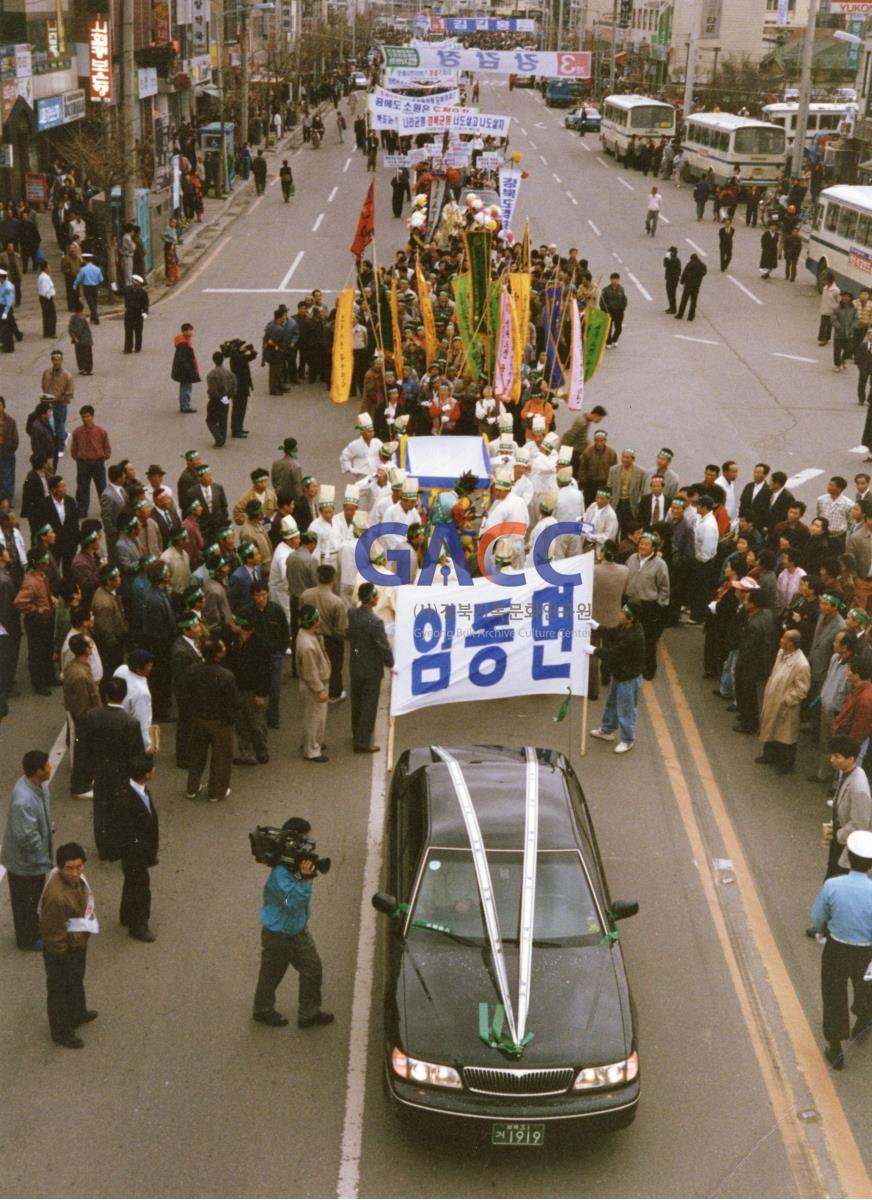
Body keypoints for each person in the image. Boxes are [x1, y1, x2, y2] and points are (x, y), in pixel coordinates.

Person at [252, 815, 332, 1029]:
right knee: (271, 975)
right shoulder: (280, 874)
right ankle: (262, 1010)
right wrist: (305, 880)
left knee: (313, 970)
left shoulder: (292, 867)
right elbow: (291, 902)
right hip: (278, 935)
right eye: (305, 839)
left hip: (296, 930)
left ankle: (309, 1014)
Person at [809, 829, 872, 1070]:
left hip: (836, 948)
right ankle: (864, 1018)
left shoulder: (833, 885)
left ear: (848, 855)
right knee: (866, 987)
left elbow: (817, 918)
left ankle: (835, 1048)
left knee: (834, 992)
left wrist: (821, 930)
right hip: (865, 952)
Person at [39, 842, 98, 1048]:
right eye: (70, 868)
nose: (75, 872)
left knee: (76, 981)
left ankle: (78, 1013)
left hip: (76, 942)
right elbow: (53, 935)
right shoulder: (56, 897)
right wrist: (63, 956)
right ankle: (62, 1032)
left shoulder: (76, 880)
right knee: (60, 990)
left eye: (79, 866)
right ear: (60, 867)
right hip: (62, 951)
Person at [0, 750, 53, 950]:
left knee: (31, 899)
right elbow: (27, 838)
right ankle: (27, 939)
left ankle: (32, 929)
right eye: (47, 766)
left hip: (32, 860)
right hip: (26, 862)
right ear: (38, 772)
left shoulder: (38, 786)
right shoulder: (23, 800)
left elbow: (45, 813)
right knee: (25, 902)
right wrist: (43, 858)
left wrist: (50, 826)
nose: (50, 768)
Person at [108, 753, 159, 942]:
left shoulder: (138, 789)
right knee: (141, 888)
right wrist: (143, 850)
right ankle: (139, 925)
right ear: (146, 774)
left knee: (132, 881)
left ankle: (127, 915)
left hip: (139, 849)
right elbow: (126, 831)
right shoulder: (126, 798)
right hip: (136, 851)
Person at [590, 603, 645, 754]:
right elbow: (612, 633)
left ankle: (628, 739)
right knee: (612, 703)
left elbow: (614, 654)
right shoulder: (624, 627)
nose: (619, 613)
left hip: (629, 678)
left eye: (623, 612)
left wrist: (595, 650)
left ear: (631, 618)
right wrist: (598, 627)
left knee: (626, 709)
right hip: (620, 674)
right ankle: (607, 730)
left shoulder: (633, 637)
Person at [755, 629, 810, 774]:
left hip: (785, 705)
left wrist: (787, 700)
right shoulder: (781, 652)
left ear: (791, 643)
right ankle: (769, 756)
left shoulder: (801, 664)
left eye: (784, 638)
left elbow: (802, 690)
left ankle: (785, 765)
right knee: (770, 729)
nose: (781, 640)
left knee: (785, 736)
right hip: (773, 699)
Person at [348, 582, 394, 753]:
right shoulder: (375, 622)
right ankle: (363, 741)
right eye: (375, 595)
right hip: (371, 668)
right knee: (369, 704)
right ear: (371, 599)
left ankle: (356, 732)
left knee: (357, 701)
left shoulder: (352, 613)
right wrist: (391, 663)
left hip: (356, 664)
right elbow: (383, 646)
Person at [295, 603, 330, 762]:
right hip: (314, 685)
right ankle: (312, 750)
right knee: (314, 718)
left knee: (313, 717)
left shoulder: (305, 634)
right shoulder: (307, 645)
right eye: (317, 619)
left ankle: (311, 742)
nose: (319, 620)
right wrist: (320, 689)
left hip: (314, 683)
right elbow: (310, 673)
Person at [70, 405, 111, 518]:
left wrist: (104, 457)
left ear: (92, 416)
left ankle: (105, 509)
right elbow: (74, 447)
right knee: (82, 487)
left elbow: (106, 446)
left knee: (102, 487)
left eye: (87, 416)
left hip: (98, 463)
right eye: (83, 417)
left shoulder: (101, 431)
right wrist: (77, 458)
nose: (85, 419)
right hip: (83, 463)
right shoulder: (77, 432)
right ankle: (82, 510)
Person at [205, 350, 236, 448]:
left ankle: (219, 438)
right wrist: (227, 397)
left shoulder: (211, 375)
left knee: (210, 420)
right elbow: (234, 388)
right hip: (226, 398)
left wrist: (215, 396)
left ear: (213, 360)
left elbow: (213, 391)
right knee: (223, 419)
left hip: (215, 400)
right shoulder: (230, 374)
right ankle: (222, 438)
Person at [171, 323, 200, 414]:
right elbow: (183, 359)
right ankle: (185, 406)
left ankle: (184, 405)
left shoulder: (183, 342)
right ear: (185, 331)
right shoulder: (184, 345)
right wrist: (190, 370)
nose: (192, 332)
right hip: (185, 370)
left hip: (183, 369)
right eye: (190, 330)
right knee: (186, 388)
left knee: (185, 387)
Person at [72, 252, 104, 324]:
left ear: (85, 260)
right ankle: (93, 318)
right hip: (95, 287)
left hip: (87, 287)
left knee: (91, 304)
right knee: (94, 303)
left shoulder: (83, 269)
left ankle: (96, 318)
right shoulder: (97, 269)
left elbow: (79, 278)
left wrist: (75, 284)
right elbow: (101, 279)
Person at [676, 253, 707, 322]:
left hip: (688, 285)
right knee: (693, 301)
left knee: (684, 300)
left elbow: (685, 273)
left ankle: (680, 314)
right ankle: (691, 316)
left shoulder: (690, 264)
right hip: (696, 286)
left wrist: (682, 281)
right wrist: (699, 278)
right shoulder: (702, 265)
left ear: (692, 258)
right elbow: (704, 272)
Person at [123, 275, 149, 354]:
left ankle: (138, 347)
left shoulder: (143, 292)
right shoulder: (127, 289)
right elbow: (118, 292)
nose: (135, 285)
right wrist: (113, 284)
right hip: (129, 313)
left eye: (137, 284)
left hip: (138, 314)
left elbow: (146, 303)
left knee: (138, 332)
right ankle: (128, 348)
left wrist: (145, 312)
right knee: (128, 331)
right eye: (134, 283)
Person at [599, 273, 627, 347]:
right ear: (611, 280)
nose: (615, 281)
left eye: (616, 279)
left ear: (618, 280)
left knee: (618, 327)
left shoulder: (621, 289)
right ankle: (608, 342)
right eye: (613, 279)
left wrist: (623, 308)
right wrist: (604, 310)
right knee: (609, 327)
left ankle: (614, 339)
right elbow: (602, 301)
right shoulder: (606, 290)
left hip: (618, 311)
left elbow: (624, 299)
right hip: (609, 311)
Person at [68, 302, 93, 375]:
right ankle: (87, 369)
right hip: (85, 339)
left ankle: (81, 368)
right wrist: (76, 337)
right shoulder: (82, 318)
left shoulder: (73, 317)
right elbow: (80, 329)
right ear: (82, 309)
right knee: (87, 355)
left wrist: (73, 337)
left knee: (79, 354)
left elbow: (70, 328)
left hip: (77, 340)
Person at [37, 263, 57, 338]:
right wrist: (49, 297)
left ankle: (46, 332)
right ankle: (50, 332)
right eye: (49, 267)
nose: (50, 268)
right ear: (45, 268)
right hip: (46, 299)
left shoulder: (43, 276)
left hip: (44, 298)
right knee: (51, 316)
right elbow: (45, 290)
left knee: (47, 316)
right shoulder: (44, 278)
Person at [663, 246, 681, 314]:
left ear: (673, 252)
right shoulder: (676, 259)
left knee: (671, 294)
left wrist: (666, 257)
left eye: (670, 252)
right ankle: (671, 307)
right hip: (673, 279)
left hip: (671, 279)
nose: (669, 253)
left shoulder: (673, 260)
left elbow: (665, 264)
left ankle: (673, 309)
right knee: (671, 294)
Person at [161, 217, 180, 285]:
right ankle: (171, 277)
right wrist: (169, 241)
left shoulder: (174, 229)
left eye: (175, 222)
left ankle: (175, 276)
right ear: (169, 222)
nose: (174, 224)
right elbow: (162, 235)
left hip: (173, 247)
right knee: (170, 262)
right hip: (169, 247)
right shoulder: (167, 229)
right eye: (173, 222)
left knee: (174, 261)